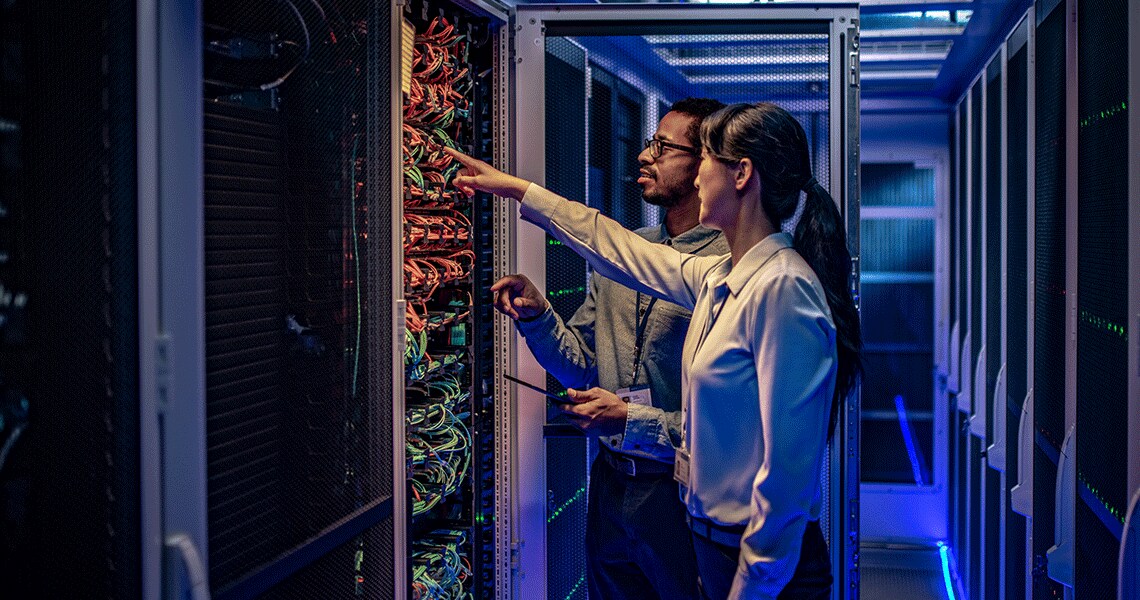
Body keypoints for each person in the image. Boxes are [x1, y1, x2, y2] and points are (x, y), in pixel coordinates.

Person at [446, 101, 862, 600]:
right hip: (714, 544)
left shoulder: (783, 288)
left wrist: (751, 586)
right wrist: (519, 189)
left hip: (759, 565)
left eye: (707, 159)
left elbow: (789, 478)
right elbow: (617, 248)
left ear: (741, 174)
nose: (699, 174)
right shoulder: (720, 276)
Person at [491, 98, 728, 600]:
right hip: (612, 483)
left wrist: (630, 420)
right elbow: (580, 365)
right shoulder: (625, 253)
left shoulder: (729, 269)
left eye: (662, 147)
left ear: (704, 163)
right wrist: (538, 316)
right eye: (648, 143)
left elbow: (728, 428)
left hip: (681, 491)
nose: (644, 156)